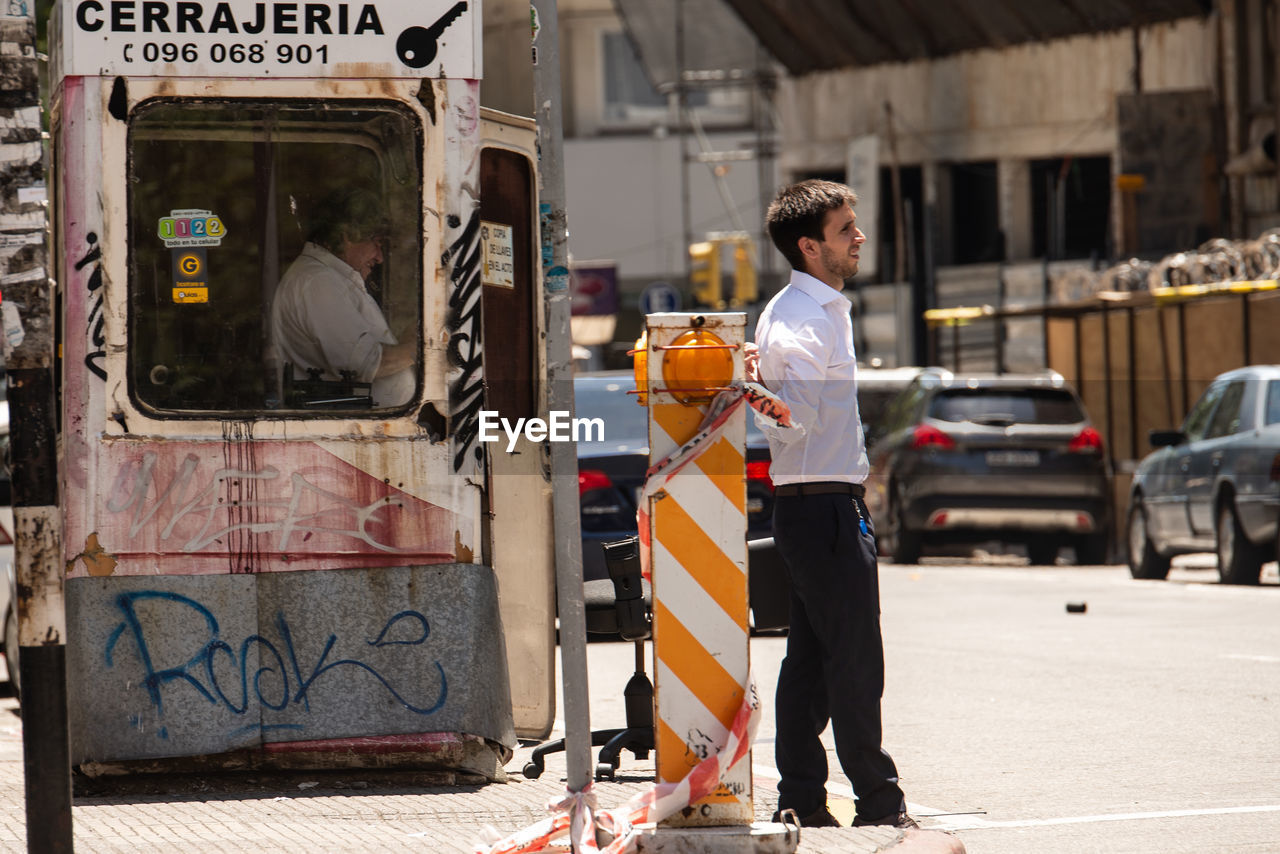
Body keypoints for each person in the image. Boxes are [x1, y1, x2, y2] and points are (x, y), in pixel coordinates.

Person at [747, 179, 915, 830]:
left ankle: (803, 800)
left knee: (813, 663)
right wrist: (768, 397)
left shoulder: (815, 313)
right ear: (811, 247)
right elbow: (794, 422)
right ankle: (878, 803)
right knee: (853, 660)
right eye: (847, 229)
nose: (859, 238)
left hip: (821, 507)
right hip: (822, 511)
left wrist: (772, 398)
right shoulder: (798, 323)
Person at [270, 188, 415, 407]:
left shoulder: (328, 278)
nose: (380, 257)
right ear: (347, 235)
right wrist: (424, 348)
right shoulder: (317, 282)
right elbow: (366, 364)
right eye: (376, 244)